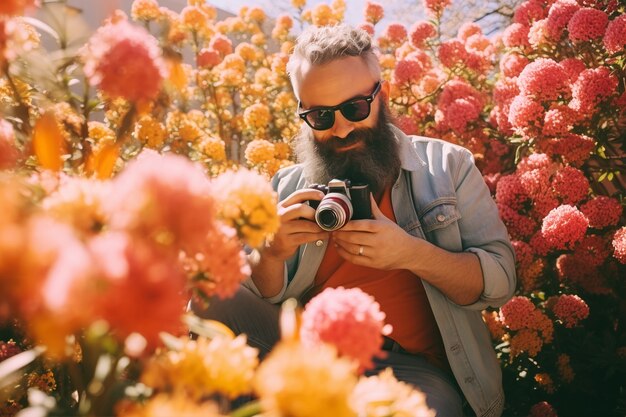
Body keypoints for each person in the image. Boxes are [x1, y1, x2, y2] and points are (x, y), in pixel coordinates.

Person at [192, 24, 516, 417]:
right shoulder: (290, 183)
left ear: (384, 95)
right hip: (308, 351)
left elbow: (500, 282)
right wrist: (271, 251)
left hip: (412, 372)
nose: (341, 128)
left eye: (355, 108)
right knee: (206, 287)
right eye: (320, 116)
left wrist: (410, 253)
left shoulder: (448, 166)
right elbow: (268, 295)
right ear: (303, 116)